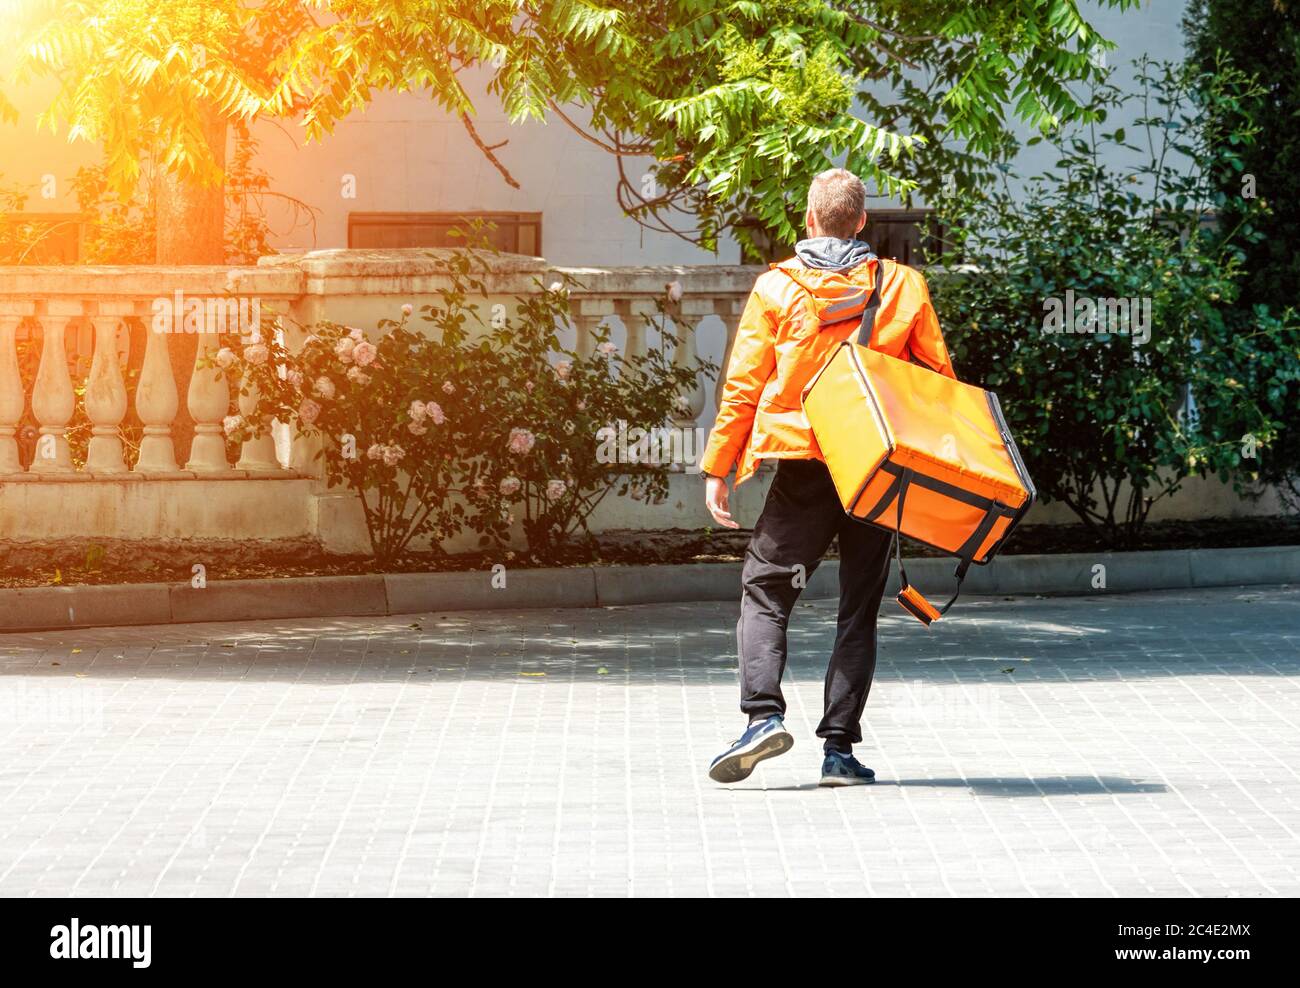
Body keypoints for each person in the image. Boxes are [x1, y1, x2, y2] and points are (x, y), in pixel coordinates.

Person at [700, 167, 956, 787]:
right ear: (863, 222)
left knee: (766, 590)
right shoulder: (903, 287)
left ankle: (763, 716)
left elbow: (743, 387)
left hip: (807, 465)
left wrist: (720, 467)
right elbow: (938, 385)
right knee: (857, 608)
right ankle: (838, 751)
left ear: (809, 221)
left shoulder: (776, 289)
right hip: (875, 469)